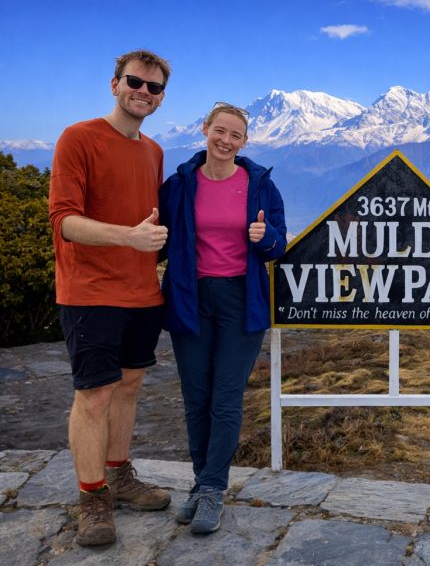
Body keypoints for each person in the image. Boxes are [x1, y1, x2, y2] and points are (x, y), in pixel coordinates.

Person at [49, 50, 173, 546]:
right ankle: (92, 496)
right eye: (135, 82)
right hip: (90, 291)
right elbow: (65, 221)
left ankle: (119, 475)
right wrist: (128, 238)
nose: (143, 92)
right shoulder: (78, 138)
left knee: (128, 386)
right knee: (94, 394)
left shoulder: (154, 151)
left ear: (162, 97)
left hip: (142, 291)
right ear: (115, 83)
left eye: (154, 87)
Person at [158, 102, 287, 534]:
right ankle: (200, 483)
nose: (226, 140)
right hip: (190, 297)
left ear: (245, 142)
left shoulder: (260, 185)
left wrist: (265, 237)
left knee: (225, 399)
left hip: (240, 297)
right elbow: (161, 237)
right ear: (205, 130)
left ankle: (213, 488)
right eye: (220, 131)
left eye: (235, 135)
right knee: (196, 398)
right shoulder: (179, 184)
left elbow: (279, 246)